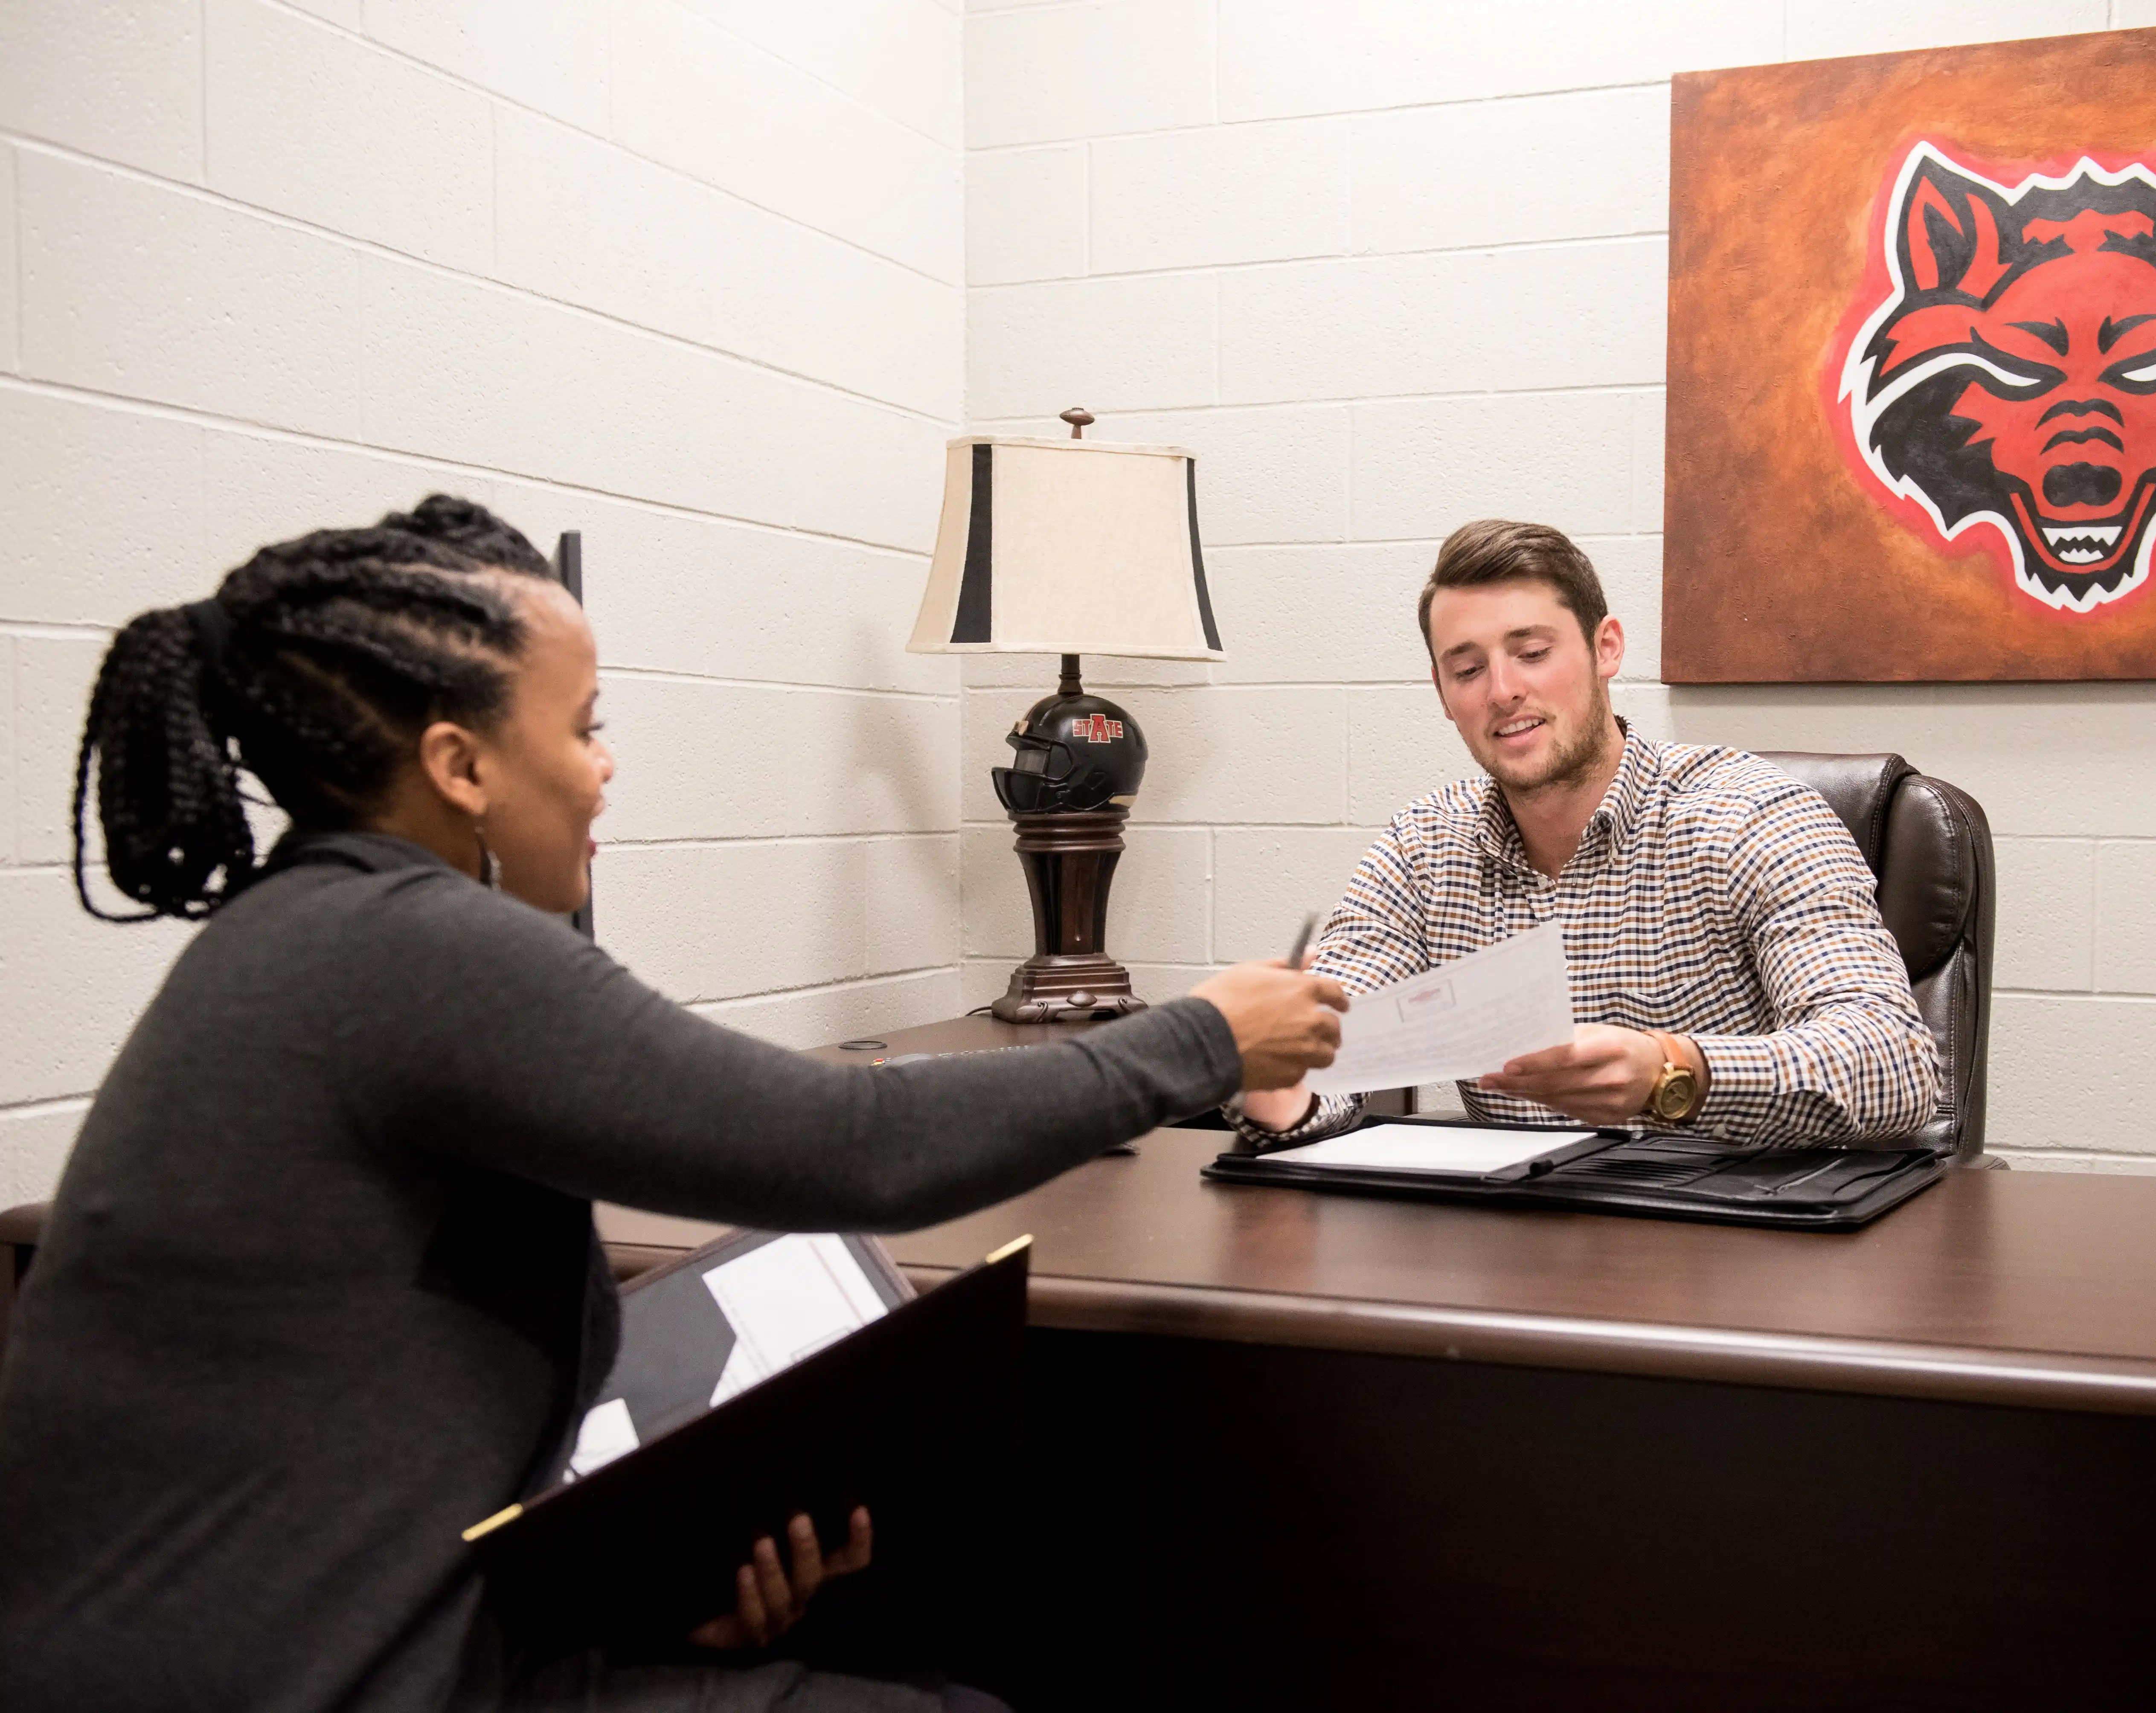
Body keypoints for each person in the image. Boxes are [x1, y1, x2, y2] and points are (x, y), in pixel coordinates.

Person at [0, 497, 1347, 1713]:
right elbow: (853, 1148)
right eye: (583, 727)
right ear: (462, 766)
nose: (605, 768)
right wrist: (1204, 1038)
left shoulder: (306, 935)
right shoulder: (404, 951)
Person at [1230, 518, 1937, 1147]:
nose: (1502, 690)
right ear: (1444, 697)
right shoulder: (1423, 850)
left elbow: (1895, 1066)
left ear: (1607, 648)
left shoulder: (1753, 816)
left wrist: (1674, 1073)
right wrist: (1277, 1077)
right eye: (1468, 669)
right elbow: (1328, 1061)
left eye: (1532, 653)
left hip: (1739, 1243)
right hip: (1518, 1253)